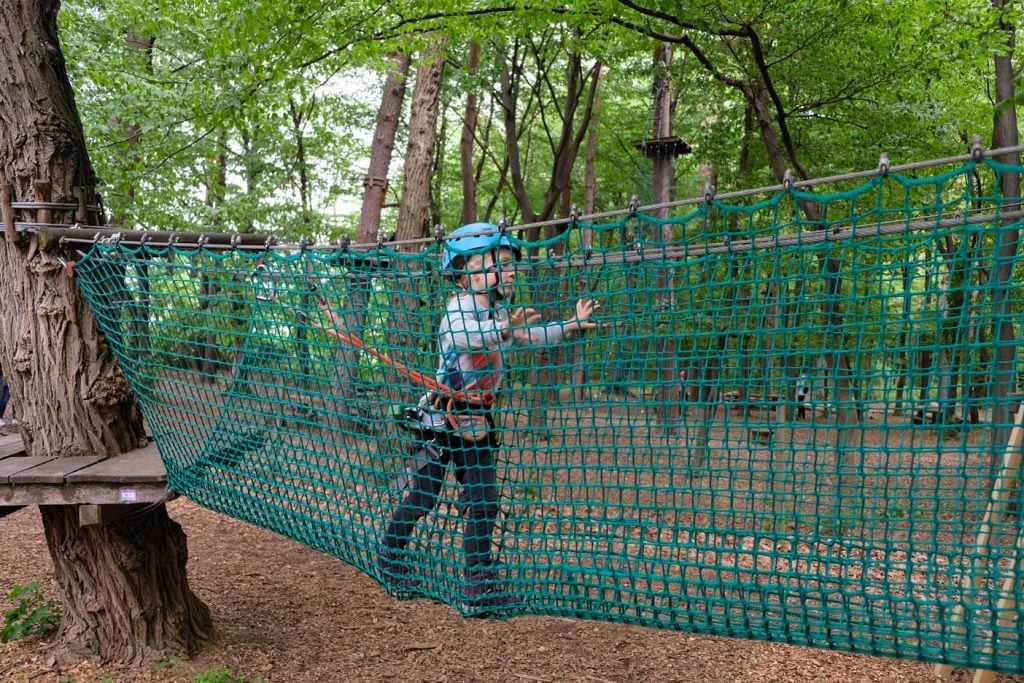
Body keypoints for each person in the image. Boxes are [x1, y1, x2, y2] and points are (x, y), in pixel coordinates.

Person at [377, 222, 598, 612]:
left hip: (477, 421)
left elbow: (531, 335)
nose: (508, 271)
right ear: (463, 273)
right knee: (424, 496)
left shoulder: (499, 312)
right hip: (441, 420)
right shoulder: (458, 308)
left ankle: (479, 583)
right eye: (497, 262)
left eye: (511, 264)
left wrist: (569, 326)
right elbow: (466, 336)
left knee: (484, 501)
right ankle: (390, 555)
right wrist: (503, 329)